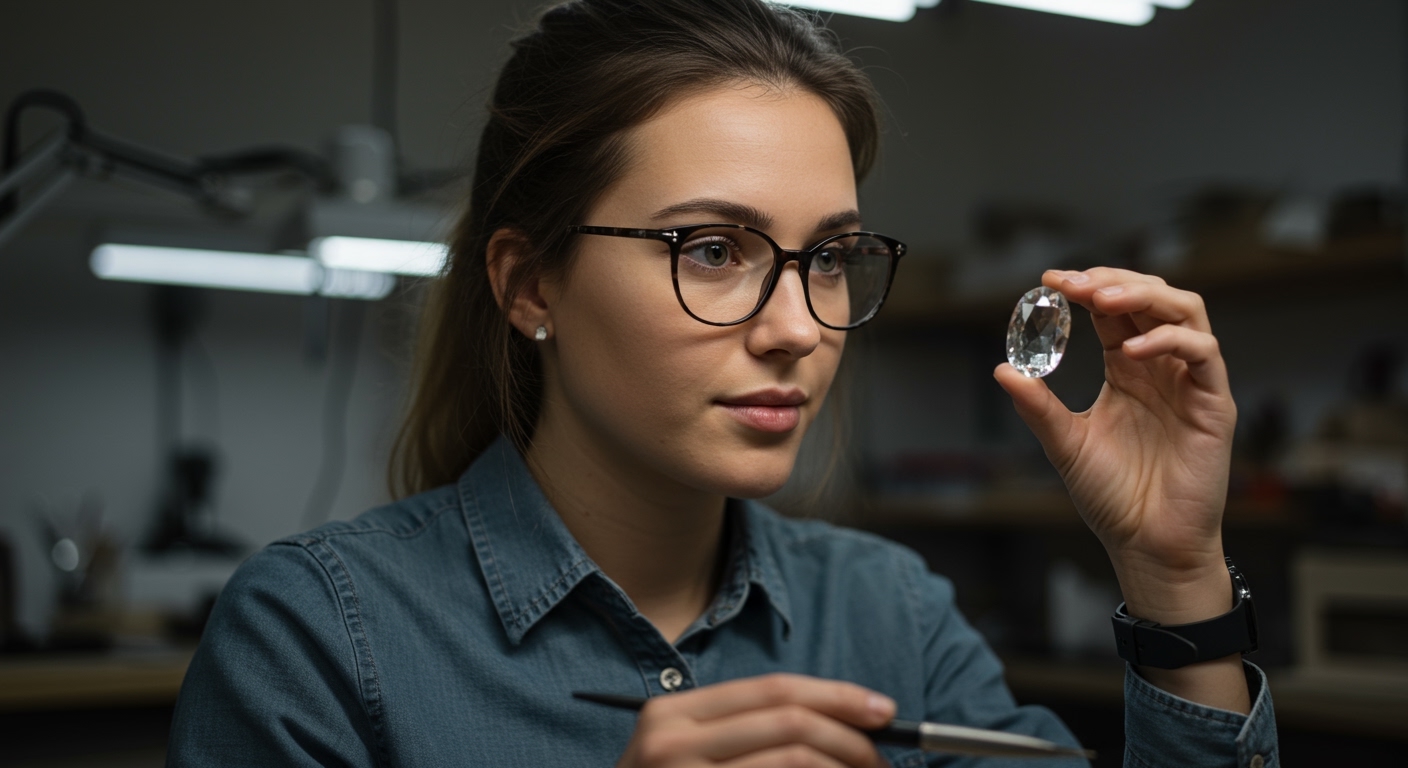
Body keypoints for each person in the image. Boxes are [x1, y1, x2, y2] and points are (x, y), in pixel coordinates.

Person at [167, 1, 1280, 765]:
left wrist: (1171, 570)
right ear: (528, 284)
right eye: (711, 250)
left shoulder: (889, 614)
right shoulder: (316, 640)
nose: (800, 328)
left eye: (831, 259)